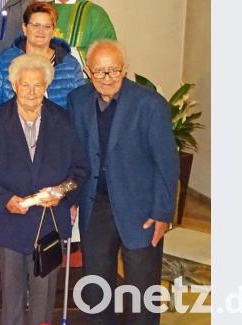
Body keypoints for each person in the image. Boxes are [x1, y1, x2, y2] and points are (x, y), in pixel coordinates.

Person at [67, 40, 179, 325]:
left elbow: (167, 164)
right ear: (88, 72)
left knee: (141, 290)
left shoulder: (150, 105)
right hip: (96, 206)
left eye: (114, 71)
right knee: (95, 287)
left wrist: (162, 214)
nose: (107, 78)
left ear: (125, 69)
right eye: (100, 72)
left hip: (141, 210)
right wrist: (71, 198)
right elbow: (74, 155)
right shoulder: (77, 101)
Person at [0, 54, 88, 325]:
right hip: (10, 220)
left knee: (43, 299)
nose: (31, 92)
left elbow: (81, 169)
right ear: (14, 85)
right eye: (25, 85)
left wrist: (62, 192)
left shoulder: (64, 121)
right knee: (11, 299)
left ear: (46, 86)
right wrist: (4, 201)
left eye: (38, 85)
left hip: (49, 224)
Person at [0, 1, 84, 113]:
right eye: (36, 25)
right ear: (24, 28)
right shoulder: (5, 60)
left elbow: (80, 106)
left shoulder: (70, 65)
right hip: (13, 127)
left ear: (53, 31)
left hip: (58, 128)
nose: (41, 31)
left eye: (47, 26)